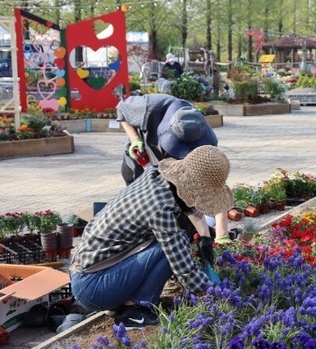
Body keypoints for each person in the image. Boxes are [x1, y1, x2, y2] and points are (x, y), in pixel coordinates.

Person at [70, 145, 234, 328]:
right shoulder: (160, 208)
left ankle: (120, 301)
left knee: (173, 239)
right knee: (172, 246)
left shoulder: (157, 177)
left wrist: (205, 238)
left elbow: (188, 204)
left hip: (94, 271)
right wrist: (217, 295)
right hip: (94, 286)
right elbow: (184, 269)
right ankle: (134, 311)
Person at [117, 93, 233, 243]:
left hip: (166, 166)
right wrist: (135, 139)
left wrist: (221, 234)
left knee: (179, 202)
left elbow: (215, 185)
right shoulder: (150, 107)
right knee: (144, 205)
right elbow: (121, 109)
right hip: (139, 158)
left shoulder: (206, 141)